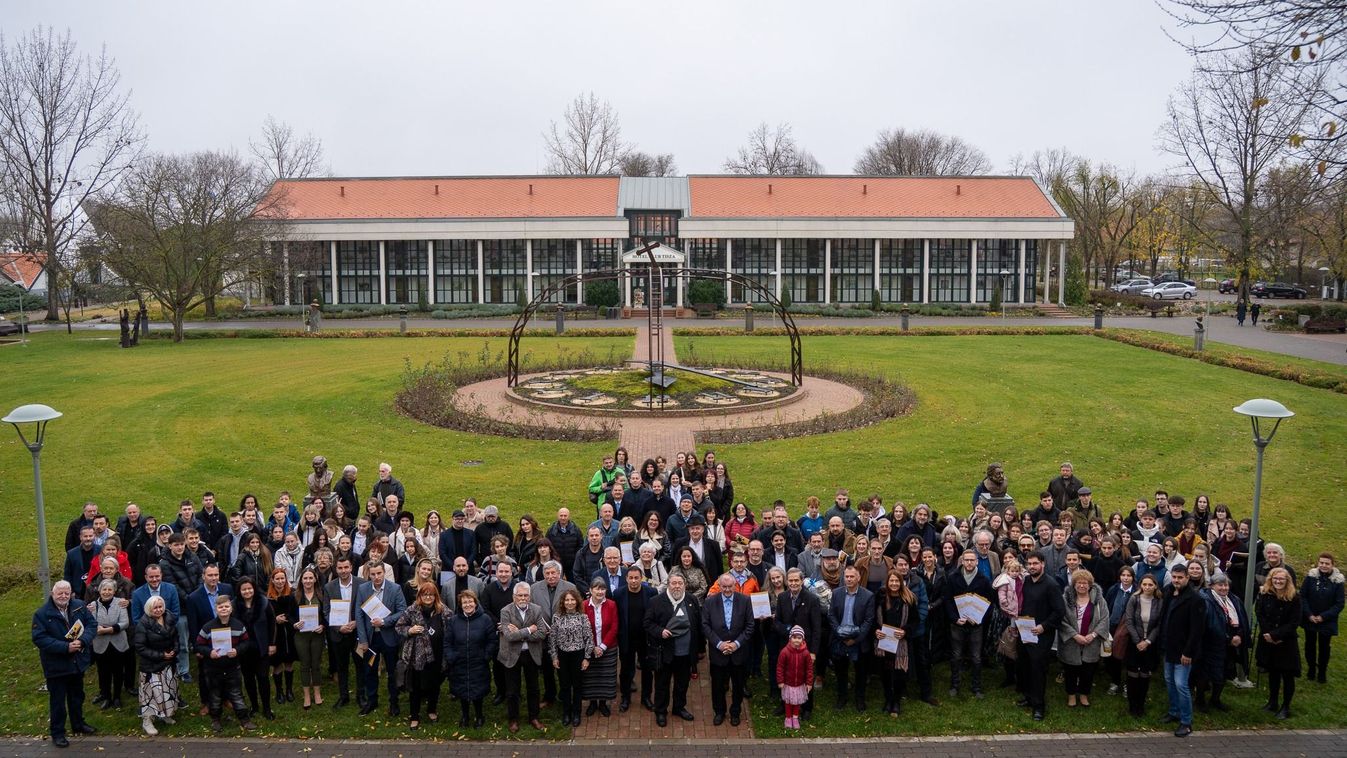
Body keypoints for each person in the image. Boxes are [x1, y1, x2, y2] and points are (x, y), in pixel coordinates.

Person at [34, 581, 98, 748]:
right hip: (56, 666)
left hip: (77, 663)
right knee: (58, 702)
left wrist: (82, 641)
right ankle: (57, 733)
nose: (63, 596)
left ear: (71, 594)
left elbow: (92, 625)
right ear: (52, 594)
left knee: (77, 697)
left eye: (66, 593)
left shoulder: (79, 606)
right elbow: (40, 638)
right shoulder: (42, 614)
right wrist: (65, 647)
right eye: (60, 593)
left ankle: (78, 724)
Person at [194, 595, 258, 732]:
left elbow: (246, 642)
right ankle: (215, 720)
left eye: (226, 606)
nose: (224, 609)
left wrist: (237, 650)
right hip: (213, 668)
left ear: (231, 609)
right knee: (215, 695)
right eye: (220, 607)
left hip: (232, 667)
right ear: (216, 609)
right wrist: (209, 652)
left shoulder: (238, 625)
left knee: (236, 694)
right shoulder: (208, 627)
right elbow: (198, 645)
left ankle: (244, 720)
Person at [645, 573, 699, 727]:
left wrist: (700, 649)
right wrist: (660, 631)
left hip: (685, 653)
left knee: (682, 683)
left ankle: (679, 708)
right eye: (674, 583)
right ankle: (661, 711)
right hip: (665, 653)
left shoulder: (691, 600)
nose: (677, 586)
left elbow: (698, 624)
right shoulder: (656, 601)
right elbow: (647, 623)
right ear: (668, 584)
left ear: (685, 585)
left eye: (680, 583)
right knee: (662, 683)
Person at [1016, 551, 1064, 721]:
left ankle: (1039, 706)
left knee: (1038, 670)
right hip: (1025, 631)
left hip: (1041, 634)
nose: (1032, 567)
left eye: (1035, 563)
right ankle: (1029, 697)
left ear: (1043, 564)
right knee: (1025, 666)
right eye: (1029, 564)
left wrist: (1044, 626)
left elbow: (1059, 611)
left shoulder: (1051, 585)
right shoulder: (1026, 581)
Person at [355, 562, 407, 716]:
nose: (376, 577)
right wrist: (363, 640)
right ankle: (372, 701)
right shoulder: (363, 589)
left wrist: (384, 621)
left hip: (389, 636)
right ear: (368, 574)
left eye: (379, 573)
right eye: (373, 574)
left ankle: (394, 702)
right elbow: (359, 615)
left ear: (384, 572)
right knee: (370, 670)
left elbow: (403, 611)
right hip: (370, 638)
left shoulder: (395, 588)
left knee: (392, 671)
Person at [702, 572, 754, 726]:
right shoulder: (710, 602)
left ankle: (735, 712)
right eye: (723, 587)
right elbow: (705, 625)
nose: (727, 590)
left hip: (739, 653)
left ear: (735, 586)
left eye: (730, 586)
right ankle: (719, 712)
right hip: (718, 652)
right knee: (717, 685)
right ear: (719, 586)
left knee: (738, 685)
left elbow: (750, 626)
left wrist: (736, 644)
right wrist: (719, 644)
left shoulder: (745, 601)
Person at [497, 582, 549, 732]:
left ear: (529, 596)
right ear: (514, 597)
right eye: (520, 595)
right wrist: (528, 630)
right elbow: (509, 636)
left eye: (526, 595)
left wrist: (519, 633)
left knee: (533, 688)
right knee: (512, 690)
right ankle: (513, 719)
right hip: (511, 654)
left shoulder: (537, 609)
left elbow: (541, 633)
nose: (523, 598)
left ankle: (534, 717)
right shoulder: (505, 611)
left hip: (531, 654)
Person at [397, 581, 448, 729]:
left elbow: (451, 626)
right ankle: (414, 716)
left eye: (431, 595)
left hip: (437, 655)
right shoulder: (412, 610)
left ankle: (432, 710)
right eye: (425, 594)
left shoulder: (442, 610)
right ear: (420, 596)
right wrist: (409, 630)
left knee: (435, 685)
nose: (428, 597)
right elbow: (399, 626)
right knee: (416, 687)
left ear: (436, 596)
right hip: (417, 656)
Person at [1160, 563, 1203, 737]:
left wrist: (1188, 652)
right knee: (1169, 681)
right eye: (1174, 577)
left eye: (1180, 577)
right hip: (1168, 647)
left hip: (1183, 651)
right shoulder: (1168, 592)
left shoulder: (1195, 599)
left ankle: (1186, 722)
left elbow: (1197, 629)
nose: (1176, 580)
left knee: (1181, 684)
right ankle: (1174, 711)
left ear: (1187, 578)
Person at [443, 589, 495, 728]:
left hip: (478, 662)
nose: (468, 605)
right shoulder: (453, 621)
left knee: (478, 691)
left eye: (470, 601)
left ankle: (479, 716)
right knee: (462, 690)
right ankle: (465, 716)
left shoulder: (485, 619)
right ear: (460, 605)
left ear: (475, 603)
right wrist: (451, 656)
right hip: (459, 662)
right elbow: (447, 642)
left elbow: (492, 641)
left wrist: (486, 656)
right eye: (464, 602)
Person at [946, 549, 995, 698]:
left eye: (972, 560)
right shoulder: (953, 577)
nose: (969, 563)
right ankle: (954, 685)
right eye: (966, 560)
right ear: (962, 561)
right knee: (956, 656)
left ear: (976, 562)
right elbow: (948, 600)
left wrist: (980, 619)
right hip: (958, 623)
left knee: (976, 657)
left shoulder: (984, 579)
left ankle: (976, 686)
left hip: (976, 624)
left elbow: (990, 603)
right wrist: (955, 618)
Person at [1058, 568, 1109, 708]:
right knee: (1070, 670)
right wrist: (1075, 635)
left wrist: (1093, 635)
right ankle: (1071, 695)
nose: (1082, 585)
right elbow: (1061, 620)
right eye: (1079, 583)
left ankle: (1084, 694)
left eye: (1085, 583)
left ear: (1090, 584)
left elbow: (1105, 619)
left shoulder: (1099, 600)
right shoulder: (1065, 599)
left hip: (1091, 641)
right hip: (1071, 641)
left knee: (1088, 671)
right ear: (1074, 584)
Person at [828, 565, 876, 712]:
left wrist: (855, 639)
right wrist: (839, 633)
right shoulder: (836, 593)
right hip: (840, 639)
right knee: (841, 671)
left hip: (858, 640)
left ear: (858, 578)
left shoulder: (868, 596)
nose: (849, 579)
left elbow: (868, 621)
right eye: (846, 576)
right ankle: (842, 697)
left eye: (852, 577)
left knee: (861, 672)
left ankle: (860, 699)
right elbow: (831, 615)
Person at [1256, 567, 1301, 719]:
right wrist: (1268, 634)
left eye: (1281, 579)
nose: (1278, 581)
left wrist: (1276, 635)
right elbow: (1259, 613)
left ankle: (1286, 707)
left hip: (1286, 641)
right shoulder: (1265, 594)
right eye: (1275, 578)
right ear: (1271, 579)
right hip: (1268, 638)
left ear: (1287, 580)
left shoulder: (1294, 597)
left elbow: (1294, 621)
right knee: (1273, 672)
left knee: (1287, 675)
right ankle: (1272, 702)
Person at [132, 595, 179, 736]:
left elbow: (176, 638)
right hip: (151, 665)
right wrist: (161, 655)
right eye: (155, 608)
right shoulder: (143, 624)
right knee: (151, 694)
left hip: (169, 663)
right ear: (149, 609)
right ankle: (147, 721)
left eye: (160, 606)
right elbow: (140, 647)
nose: (158, 610)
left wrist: (175, 650)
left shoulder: (169, 618)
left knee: (168, 690)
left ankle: (165, 715)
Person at [875, 570, 919, 715]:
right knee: (885, 673)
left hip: (901, 644)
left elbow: (915, 621)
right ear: (887, 583)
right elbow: (873, 618)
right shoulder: (880, 598)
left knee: (899, 674)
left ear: (901, 583)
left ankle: (896, 701)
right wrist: (876, 631)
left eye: (897, 581)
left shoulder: (909, 599)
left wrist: (905, 631)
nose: (894, 584)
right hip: (884, 643)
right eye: (891, 581)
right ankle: (888, 699)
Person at [232, 577, 277, 720]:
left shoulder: (264, 602)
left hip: (261, 647)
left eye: (249, 588)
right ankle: (254, 706)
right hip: (244, 649)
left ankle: (267, 708)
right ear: (239, 591)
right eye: (244, 589)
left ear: (254, 588)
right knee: (249, 679)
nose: (247, 591)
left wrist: (272, 644)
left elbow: (272, 623)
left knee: (263, 678)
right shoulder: (234, 605)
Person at [547, 588, 592, 727]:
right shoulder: (557, 617)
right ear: (563, 602)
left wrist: (587, 658)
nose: (570, 602)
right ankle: (566, 713)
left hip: (578, 655)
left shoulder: (583, 617)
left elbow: (589, 638)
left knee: (577, 686)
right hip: (563, 655)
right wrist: (554, 657)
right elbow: (552, 638)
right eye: (567, 600)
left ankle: (577, 713)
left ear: (577, 601)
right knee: (565, 685)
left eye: (572, 600)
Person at [324, 557, 364, 709]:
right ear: (336, 569)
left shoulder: (362, 584)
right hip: (339, 634)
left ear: (351, 567)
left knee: (360, 665)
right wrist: (338, 627)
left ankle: (361, 696)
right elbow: (326, 611)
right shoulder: (329, 587)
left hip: (357, 633)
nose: (343, 571)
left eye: (346, 567)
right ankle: (343, 696)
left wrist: (357, 622)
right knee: (342, 666)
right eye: (340, 568)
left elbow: (366, 606)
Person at [617, 565, 657, 712]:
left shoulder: (651, 592)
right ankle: (625, 698)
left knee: (647, 670)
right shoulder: (618, 594)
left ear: (641, 579)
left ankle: (646, 697)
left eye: (636, 578)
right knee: (626, 670)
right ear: (626, 579)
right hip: (627, 638)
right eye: (631, 578)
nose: (633, 581)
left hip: (645, 639)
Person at [1123, 573, 1164, 716]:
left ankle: (1141, 704)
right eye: (1144, 584)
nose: (1147, 587)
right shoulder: (1134, 599)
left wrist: (1147, 641)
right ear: (1140, 585)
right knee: (1133, 674)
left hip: (1150, 643)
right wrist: (1138, 641)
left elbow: (1159, 624)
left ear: (1155, 586)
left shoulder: (1159, 601)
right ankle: (1132, 705)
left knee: (1145, 675)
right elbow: (1129, 621)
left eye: (1150, 585)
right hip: (1134, 642)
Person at [1300, 552, 1343, 685]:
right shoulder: (1310, 577)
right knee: (1310, 644)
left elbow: (1339, 603)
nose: (1324, 565)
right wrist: (1309, 614)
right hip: (1310, 617)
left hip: (1327, 619)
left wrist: (1323, 617)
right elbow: (1303, 596)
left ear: (1332, 565)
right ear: (1318, 563)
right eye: (1321, 563)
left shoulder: (1338, 581)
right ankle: (1311, 668)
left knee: (1324, 646)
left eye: (1327, 563)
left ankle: (1322, 671)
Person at [89, 578, 132, 711]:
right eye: (104, 589)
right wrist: (99, 628)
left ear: (114, 591)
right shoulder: (93, 605)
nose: (107, 592)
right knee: (103, 672)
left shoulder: (120, 603)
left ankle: (117, 697)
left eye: (110, 590)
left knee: (118, 671)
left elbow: (125, 623)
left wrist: (108, 629)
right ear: (99, 590)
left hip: (118, 643)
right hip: (100, 644)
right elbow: (91, 623)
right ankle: (106, 696)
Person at [580, 577, 619, 719]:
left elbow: (614, 627)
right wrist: (592, 647)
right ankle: (592, 703)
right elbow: (582, 628)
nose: (600, 591)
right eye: (597, 588)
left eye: (603, 589)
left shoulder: (612, 605)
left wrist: (602, 646)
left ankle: (603, 703)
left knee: (605, 678)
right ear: (591, 590)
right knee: (590, 678)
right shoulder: (583, 605)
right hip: (589, 649)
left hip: (608, 648)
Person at [291, 567, 326, 709]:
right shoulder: (295, 596)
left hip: (317, 634)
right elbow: (290, 615)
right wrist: (294, 624)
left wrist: (323, 625)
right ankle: (306, 695)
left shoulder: (321, 595)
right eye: (305, 578)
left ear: (315, 579)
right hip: (301, 635)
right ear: (301, 580)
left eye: (311, 578)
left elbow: (326, 614)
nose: (308, 581)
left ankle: (317, 693)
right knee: (305, 664)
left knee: (316, 664)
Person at [266, 568, 297, 706]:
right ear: (273, 580)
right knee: (277, 663)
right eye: (277, 579)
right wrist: (275, 619)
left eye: (282, 578)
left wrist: (288, 619)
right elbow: (265, 617)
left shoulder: (292, 594)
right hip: (275, 635)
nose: (280, 581)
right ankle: (279, 691)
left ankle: (289, 689)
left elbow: (295, 613)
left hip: (289, 633)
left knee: (289, 662)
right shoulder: (268, 598)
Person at [777, 625, 813, 730]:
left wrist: (809, 682)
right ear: (790, 638)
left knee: (797, 701)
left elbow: (809, 669)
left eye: (799, 638)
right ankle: (788, 717)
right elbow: (780, 667)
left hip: (800, 683)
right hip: (788, 683)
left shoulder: (806, 653)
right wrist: (780, 681)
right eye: (794, 637)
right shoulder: (785, 652)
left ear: (803, 639)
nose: (796, 640)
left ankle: (795, 717)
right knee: (788, 701)